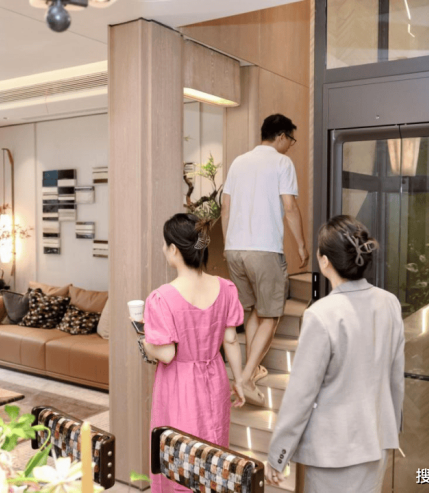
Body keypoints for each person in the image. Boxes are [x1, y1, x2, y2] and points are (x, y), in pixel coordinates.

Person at [265, 215, 405, 493]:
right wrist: (391, 428)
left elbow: (301, 395)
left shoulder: (321, 314)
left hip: (333, 452)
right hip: (376, 442)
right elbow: (395, 379)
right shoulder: (389, 303)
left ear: (325, 261)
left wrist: (278, 455)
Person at [141, 213, 247, 493]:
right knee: (214, 452)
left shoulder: (162, 298)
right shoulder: (226, 288)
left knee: (180, 456)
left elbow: (166, 353)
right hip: (215, 378)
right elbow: (231, 340)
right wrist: (239, 380)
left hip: (179, 385)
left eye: (165, 245)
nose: (163, 249)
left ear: (174, 249)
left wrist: (144, 340)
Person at [221, 113, 309, 405]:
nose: (290, 146)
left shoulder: (238, 162)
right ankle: (245, 378)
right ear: (281, 136)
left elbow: (225, 208)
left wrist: (228, 245)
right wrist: (301, 245)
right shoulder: (282, 163)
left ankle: (253, 368)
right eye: (291, 140)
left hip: (235, 250)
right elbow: (290, 207)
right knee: (270, 315)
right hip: (264, 250)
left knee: (251, 313)